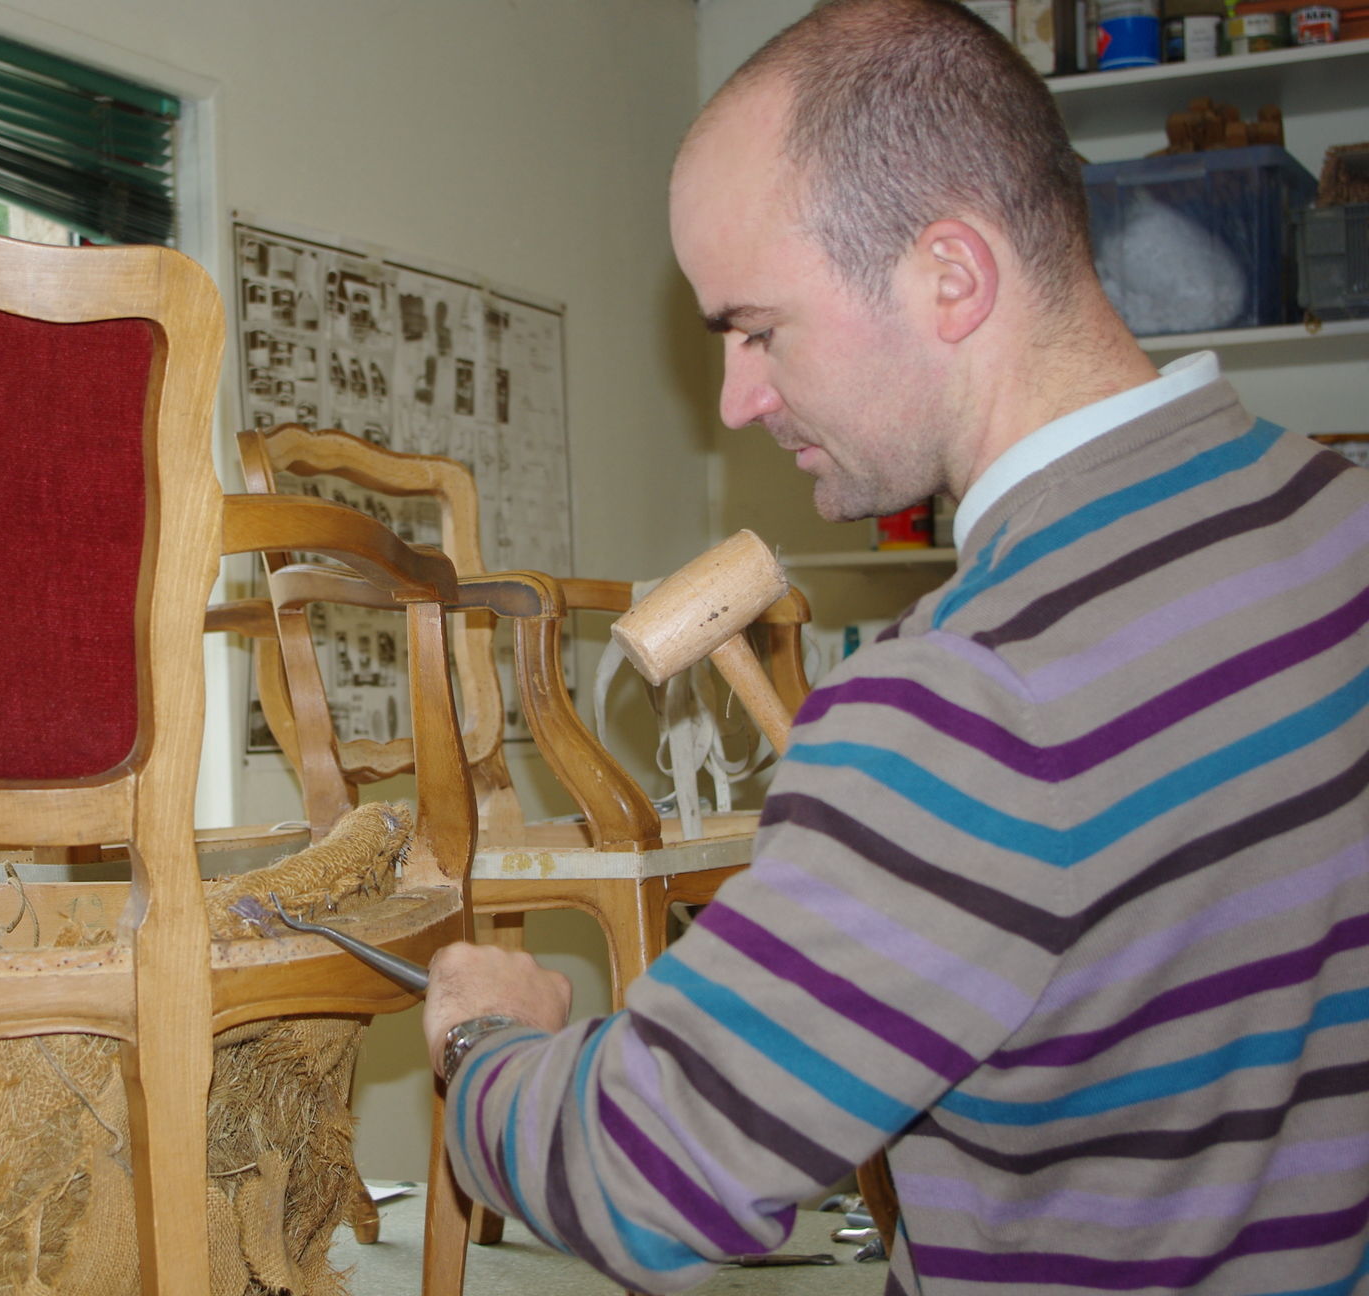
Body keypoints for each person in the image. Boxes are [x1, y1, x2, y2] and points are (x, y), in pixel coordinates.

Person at [422, 0, 1369, 1291]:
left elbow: (644, 1174)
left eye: (758, 330)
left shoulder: (978, 698)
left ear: (951, 275)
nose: (738, 399)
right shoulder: (1331, 524)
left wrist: (490, 1044)